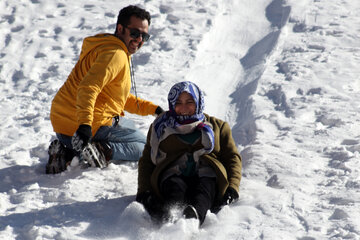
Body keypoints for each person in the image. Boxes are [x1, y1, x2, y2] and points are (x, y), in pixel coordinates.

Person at [46, 5, 164, 174]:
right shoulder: (116, 55)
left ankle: (66, 153)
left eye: (144, 36)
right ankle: (102, 150)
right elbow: (89, 87)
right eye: (135, 33)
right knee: (144, 147)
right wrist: (85, 125)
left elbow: (117, 96)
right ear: (120, 28)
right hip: (86, 128)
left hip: (62, 125)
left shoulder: (100, 45)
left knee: (126, 124)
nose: (139, 40)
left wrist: (154, 109)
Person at [136, 81, 242, 226]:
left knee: (204, 190)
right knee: (174, 188)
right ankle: (171, 216)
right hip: (173, 175)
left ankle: (193, 218)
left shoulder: (218, 127)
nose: (183, 108)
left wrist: (233, 188)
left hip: (207, 175)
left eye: (189, 102)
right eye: (178, 102)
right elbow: (147, 161)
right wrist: (144, 191)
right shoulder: (161, 128)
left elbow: (232, 158)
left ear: (198, 102)